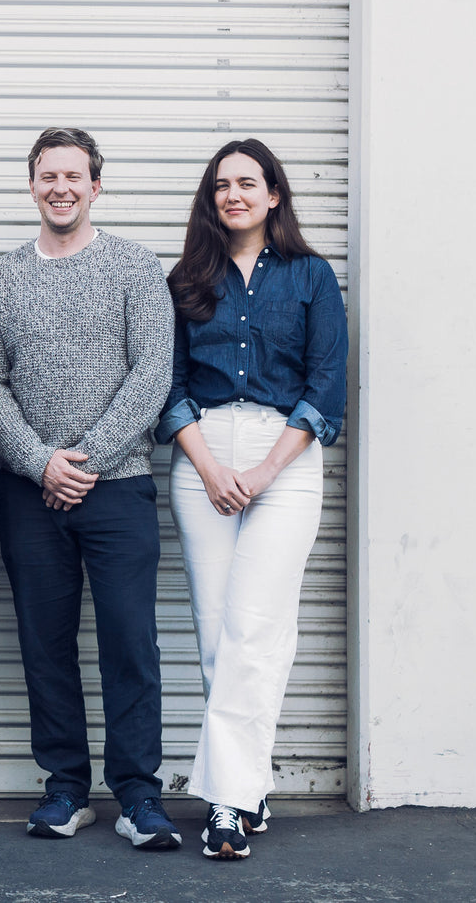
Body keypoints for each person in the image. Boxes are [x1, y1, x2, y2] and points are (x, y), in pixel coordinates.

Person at [0, 127, 181, 849]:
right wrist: (41, 463)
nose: (60, 188)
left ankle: (138, 795)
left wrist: (84, 461)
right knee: (45, 644)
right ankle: (65, 787)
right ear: (31, 185)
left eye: (73, 176)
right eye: (47, 176)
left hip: (118, 488)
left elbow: (152, 373)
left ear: (96, 185)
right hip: (29, 494)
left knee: (131, 644)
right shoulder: (0, 279)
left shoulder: (135, 267)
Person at [156, 139, 347, 860]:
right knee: (216, 632)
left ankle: (227, 806)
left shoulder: (311, 276)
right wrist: (209, 467)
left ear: (274, 195)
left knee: (255, 629)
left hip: (285, 457)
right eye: (221, 185)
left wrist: (264, 471)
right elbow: (170, 387)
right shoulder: (186, 279)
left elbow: (326, 386)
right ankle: (247, 785)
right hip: (202, 455)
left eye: (247, 182)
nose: (233, 194)